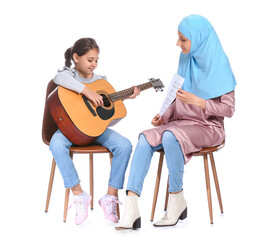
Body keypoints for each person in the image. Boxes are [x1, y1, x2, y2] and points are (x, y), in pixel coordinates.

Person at [116, 14, 236, 230]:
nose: (177, 44)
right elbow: (177, 95)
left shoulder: (220, 64)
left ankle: (176, 199)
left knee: (171, 137)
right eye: (178, 38)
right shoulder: (186, 58)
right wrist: (164, 116)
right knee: (145, 137)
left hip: (208, 127)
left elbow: (229, 110)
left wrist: (200, 102)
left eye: (182, 39)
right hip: (179, 124)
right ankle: (131, 207)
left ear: (198, 39)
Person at [49, 38, 140, 225]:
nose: (94, 64)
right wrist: (86, 92)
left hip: (95, 132)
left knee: (124, 145)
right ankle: (78, 194)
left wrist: (125, 100)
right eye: (90, 60)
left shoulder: (101, 82)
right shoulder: (68, 74)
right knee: (55, 144)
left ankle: (110, 197)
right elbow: (58, 79)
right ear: (76, 57)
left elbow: (108, 120)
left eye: (96, 60)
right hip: (69, 131)